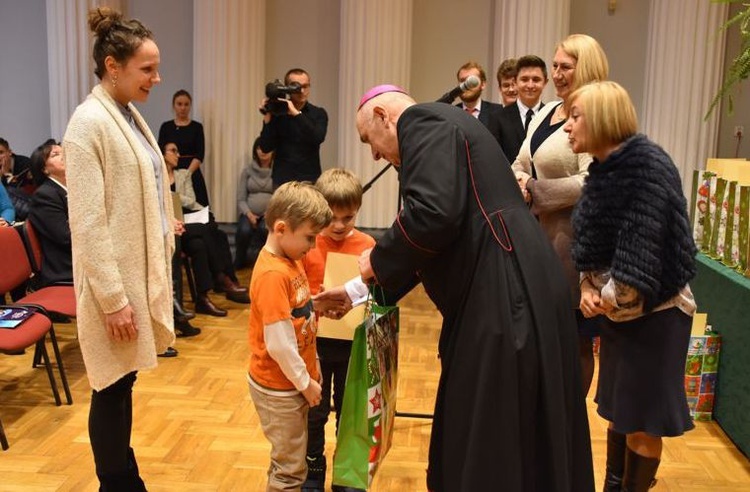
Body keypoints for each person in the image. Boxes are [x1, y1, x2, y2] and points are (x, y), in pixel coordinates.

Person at [355, 85, 594, 491]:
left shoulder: (422, 121)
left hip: (504, 287)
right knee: (525, 420)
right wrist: (358, 289)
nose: (374, 154)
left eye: (368, 140)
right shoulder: (448, 122)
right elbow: (442, 231)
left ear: (384, 115)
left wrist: (378, 259)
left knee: (492, 421)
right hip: (520, 276)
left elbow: (433, 214)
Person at [63, 7, 175, 489]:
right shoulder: (87, 124)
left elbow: (143, 185)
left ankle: (125, 474)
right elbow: (87, 222)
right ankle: (117, 481)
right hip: (113, 288)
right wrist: (112, 300)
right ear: (113, 66)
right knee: (109, 386)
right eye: (147, 68)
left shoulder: (127, 116)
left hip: (130, 277)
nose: (157, 77)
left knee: (122, 382)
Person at [566, 81, 697, 492]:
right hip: (619, 313)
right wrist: (587, 285)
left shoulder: (648, 168)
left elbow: (642, 255)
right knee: (621, 416)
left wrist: (605, 297)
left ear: (603, 118)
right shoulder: (604, 169)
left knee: (641, 422)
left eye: (575, 116)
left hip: (656, 317)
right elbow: (591, 242)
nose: (567, 127)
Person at [511, 34, 608, 397]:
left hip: (574, 248)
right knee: (542, 335)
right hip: (537, 242)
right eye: (554, 66)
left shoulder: (595, 115)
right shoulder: (547, 113)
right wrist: (518, 179)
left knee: (576, 341)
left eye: (565, 67)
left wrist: (535, 192)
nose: (556, 74)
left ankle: (571, 420)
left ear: (587, 68)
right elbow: (519, 162)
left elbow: (593, 180)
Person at [247, 181, 339, 491]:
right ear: (282, 228)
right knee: (289, 473)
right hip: (280, 389)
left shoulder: (289, 260)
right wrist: (305, 382)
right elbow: (279, 344)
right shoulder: (273, 274)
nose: (312, 246)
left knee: (289, 461)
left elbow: (295, 312)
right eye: (310, 238)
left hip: (292, 383)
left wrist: (319, 305)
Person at [300, 168, 376, 492]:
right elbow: (296, 290)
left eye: (349, 217)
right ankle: (313, 471)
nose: (341, 225)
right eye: (333, 217)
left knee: (349, 411)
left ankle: (346, 474)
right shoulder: (307, 244)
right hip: (314, 344)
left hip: (351, 346)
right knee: (314, 413)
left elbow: (374, 290)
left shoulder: (368, 245)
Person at [164, 142, 249, 315]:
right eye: (173, 151)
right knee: (210, 231)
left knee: (199, 244)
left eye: (177, 150)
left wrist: (173, 196)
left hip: (188, 219)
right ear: (162, 153)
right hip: (170, 225)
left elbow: (190, 199)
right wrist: (172, 196)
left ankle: (203, 298)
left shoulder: (183, 174)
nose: (178, 155)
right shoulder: (155, 177)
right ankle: (222, 278)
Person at [258, 68, 328, 188]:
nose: (301, 90)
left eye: (306, 86)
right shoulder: (278, 113)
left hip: (309, 179)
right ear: (287, 88)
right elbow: (265, 147)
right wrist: (268, 117)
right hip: (282, 181)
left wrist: (296, 114)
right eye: (296, 86)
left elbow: (318, 137)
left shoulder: (318, 113)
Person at [28, 141, 72, 287]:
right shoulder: (45, 195)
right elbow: (67, 237)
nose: (63, 155)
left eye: (63, 151)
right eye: (56, 154)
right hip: (66, 269)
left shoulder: (72, 188)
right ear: (44, 169)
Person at [158, 90, 209, 206]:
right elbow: (161, 151)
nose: (183, 108)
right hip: (171, 173)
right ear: (173, 106)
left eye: (186, 104)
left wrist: (187, 174)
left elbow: (200, 154)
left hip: (192, 172)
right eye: (179, 104)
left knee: (198, 209)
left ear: (190, 106)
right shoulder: (166, 127)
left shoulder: (197, 127)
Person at [498, 55, 548, 162]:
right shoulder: (497, 118)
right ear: (515, 82)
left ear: (545, 83)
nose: (530, 85)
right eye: (524, 79)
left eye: (536, 80)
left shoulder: (551, 116)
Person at [235, 137, 274, 270]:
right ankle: (240, 261)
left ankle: (264, 263)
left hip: (269, 214)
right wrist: (249, 214)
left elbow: (279, 197)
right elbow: (241, 198)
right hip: (248, 213)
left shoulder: (278, 171)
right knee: (244, 230)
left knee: (265, 229)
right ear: (255, 151)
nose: (263, 151)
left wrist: (269, 212)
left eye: (266, 148)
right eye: (259, 148)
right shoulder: (247, 171)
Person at [453, 61, 504, 147]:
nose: (466, 85)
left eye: (471, 81)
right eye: (462, 81)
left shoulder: (498, 112)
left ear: (483, 84)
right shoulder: (451, 114)